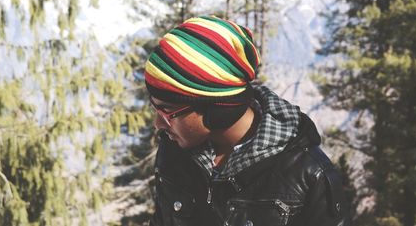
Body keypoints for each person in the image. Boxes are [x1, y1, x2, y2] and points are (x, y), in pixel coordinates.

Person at [145, 15, 347, 226]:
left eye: (167, 110)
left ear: (215, 107)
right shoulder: (174, 151)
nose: (158, 124)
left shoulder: (308, 174)